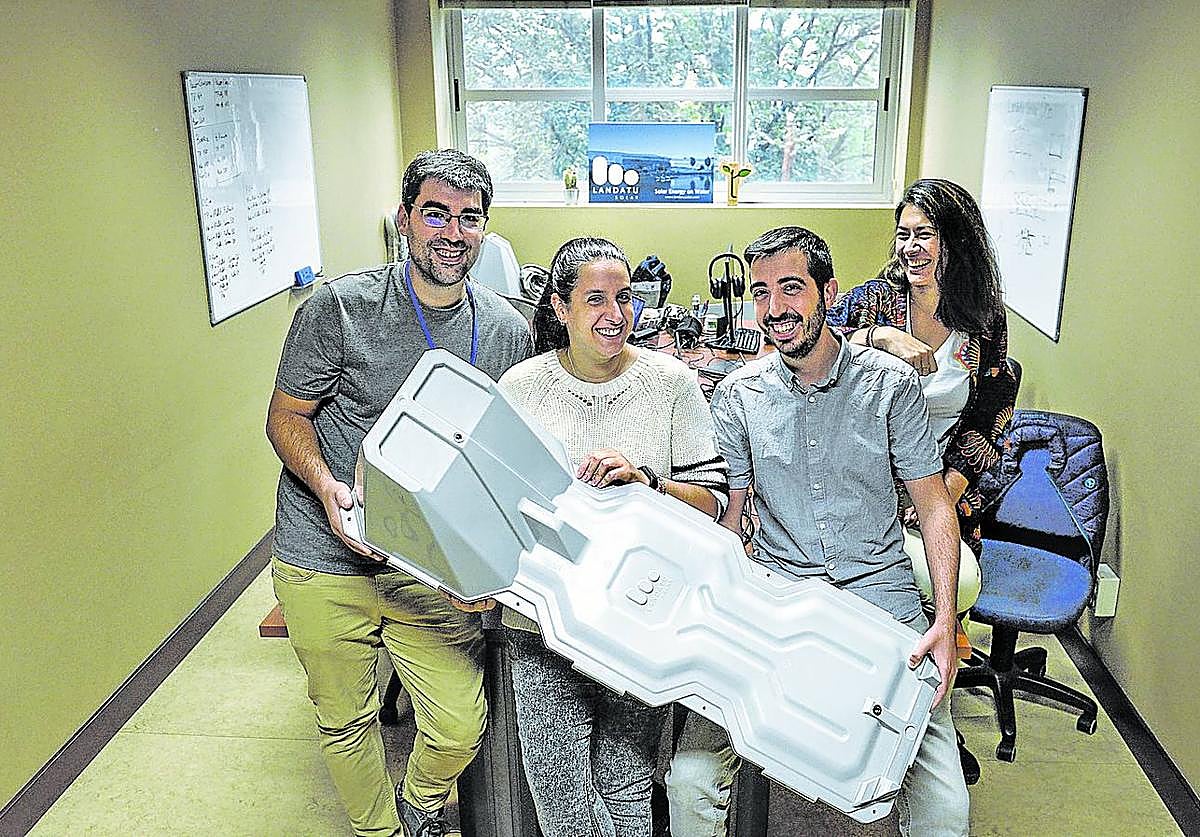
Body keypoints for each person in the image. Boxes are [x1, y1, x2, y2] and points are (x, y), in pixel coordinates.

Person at [666, 226, 969, 837]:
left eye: (791, 288)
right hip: (782, 603)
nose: (775, 309)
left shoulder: (891, 387)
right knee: (691, 779)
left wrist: (944, 622)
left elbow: (935, 507)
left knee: (946, 811)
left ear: (828, 292)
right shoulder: (738, 396)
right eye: (761, 292)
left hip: (881, 604)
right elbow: (732, 517)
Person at [265, 149, 533, 837]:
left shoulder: (505, 329)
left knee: (457, 719)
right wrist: (328, 489)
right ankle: (382, 832)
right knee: (345, 717)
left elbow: (497, 463)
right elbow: (285, 415)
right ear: (404, 221)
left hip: (425, 562)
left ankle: (420, 800)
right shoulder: (340, 308)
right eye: (435, 214)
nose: (452, 233)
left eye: (469, 218)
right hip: (323, 550)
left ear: (485, 229)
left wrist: (483, 566)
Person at [497, 237, 729, 837]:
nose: (615, 314)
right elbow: (494, 501)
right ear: (558, 307)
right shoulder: (520, 388)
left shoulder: (671, 382)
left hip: (639, 618)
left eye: (624, 297)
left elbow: (712, 501)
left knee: (626, 783)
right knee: (560, 792)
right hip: (541, 623)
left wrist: (647, 483)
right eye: (594, 299)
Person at [826, 178, 1018, 562]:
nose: (909, 249)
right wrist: (879, 336)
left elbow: (990, 413)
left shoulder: (984, 317)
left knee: (950, 589)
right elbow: (818, 340)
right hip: (866, 484)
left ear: (955, 242)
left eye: (924, 235)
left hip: (945, 480)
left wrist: (946, 491)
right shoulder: (876, 300)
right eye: (903, 235)